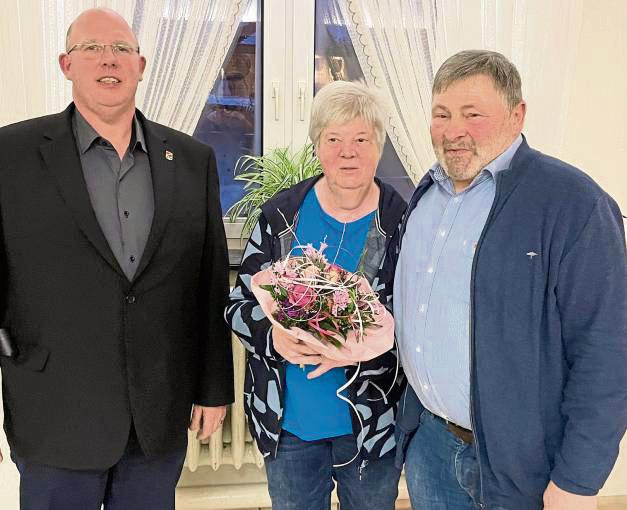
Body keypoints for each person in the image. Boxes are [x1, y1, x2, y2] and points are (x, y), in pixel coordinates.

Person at [0, 8, 233, 509]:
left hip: (157, 412)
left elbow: (209, 282)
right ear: (66, 64)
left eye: (121, 49)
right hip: (53, 408)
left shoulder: (192, 160)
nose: (109, 59)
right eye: (92, 49)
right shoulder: (10, 153)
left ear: (142, 65)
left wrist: (214, 388)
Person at [392, 49, 627, 509]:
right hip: (432, 447)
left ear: (517, 115)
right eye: (441, 114)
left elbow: (607, 351)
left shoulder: (573, 203)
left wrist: (578, 482)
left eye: (472, 114)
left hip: (523, 466)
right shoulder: (427, 194)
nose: (452, 130)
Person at [225, 81, 406, 510]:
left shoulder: (403, 221)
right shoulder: (282, 215)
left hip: (371, 426)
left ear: (378, 146)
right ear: (317, 146)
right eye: (334, 139)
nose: (348, 151)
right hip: (290, 427)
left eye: (362, 139)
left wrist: (366, 349)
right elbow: (238, 305)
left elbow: (420, 321)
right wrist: (275, 339)